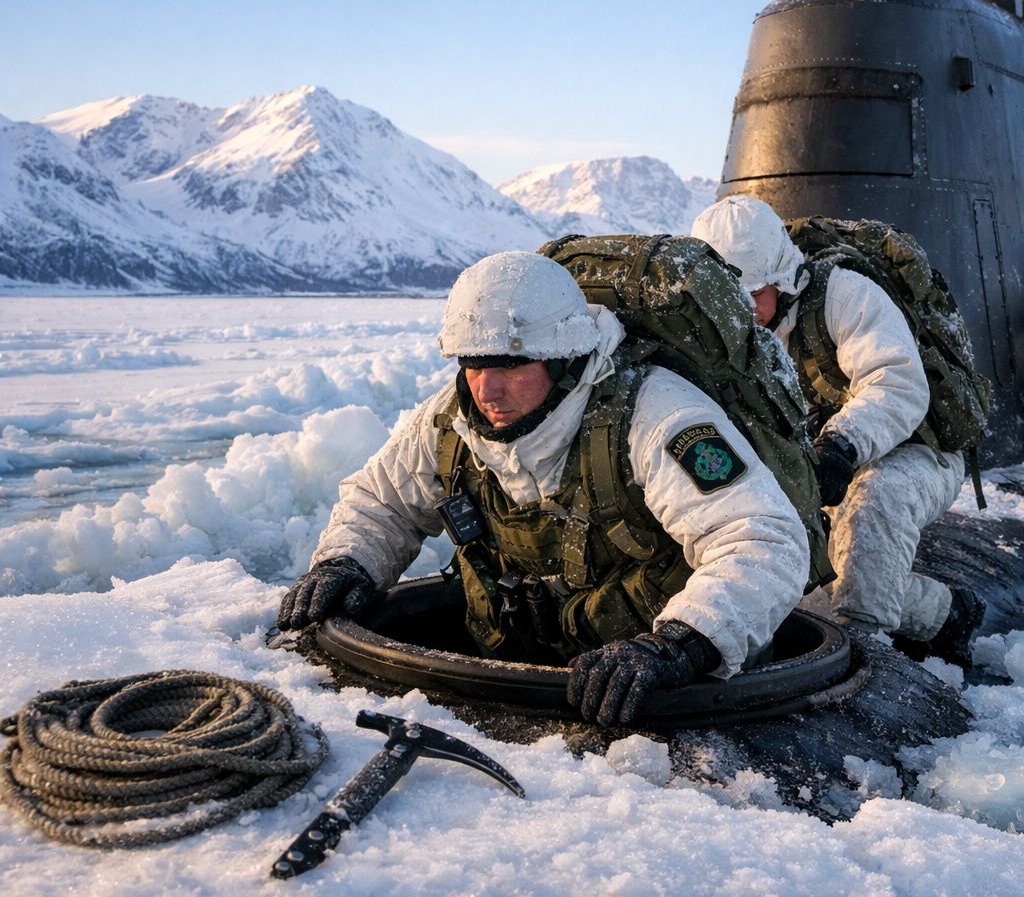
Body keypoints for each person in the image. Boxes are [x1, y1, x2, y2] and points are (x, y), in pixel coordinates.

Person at [277, 250, 810, 726]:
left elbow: (760, 538)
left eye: (511, 364)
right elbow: (382, 502)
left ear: (562, 358)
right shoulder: (449, 421)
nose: (486, 388)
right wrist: (348, 562)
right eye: (472, 364)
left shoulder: (654, 413)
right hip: (516, 675)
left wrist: (680, 645)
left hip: (657, 696)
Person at [690, 195, 984, 664]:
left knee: (873, 504)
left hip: (913, 448)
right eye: (729, 297)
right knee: (818, 571)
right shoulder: (723, 327)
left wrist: (842, 444)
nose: (742, 310)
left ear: (781, 278)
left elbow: (898, 384)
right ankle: (946, 613)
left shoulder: (845, 294)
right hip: (814, 455)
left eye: (752, 294)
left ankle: (865, 645)